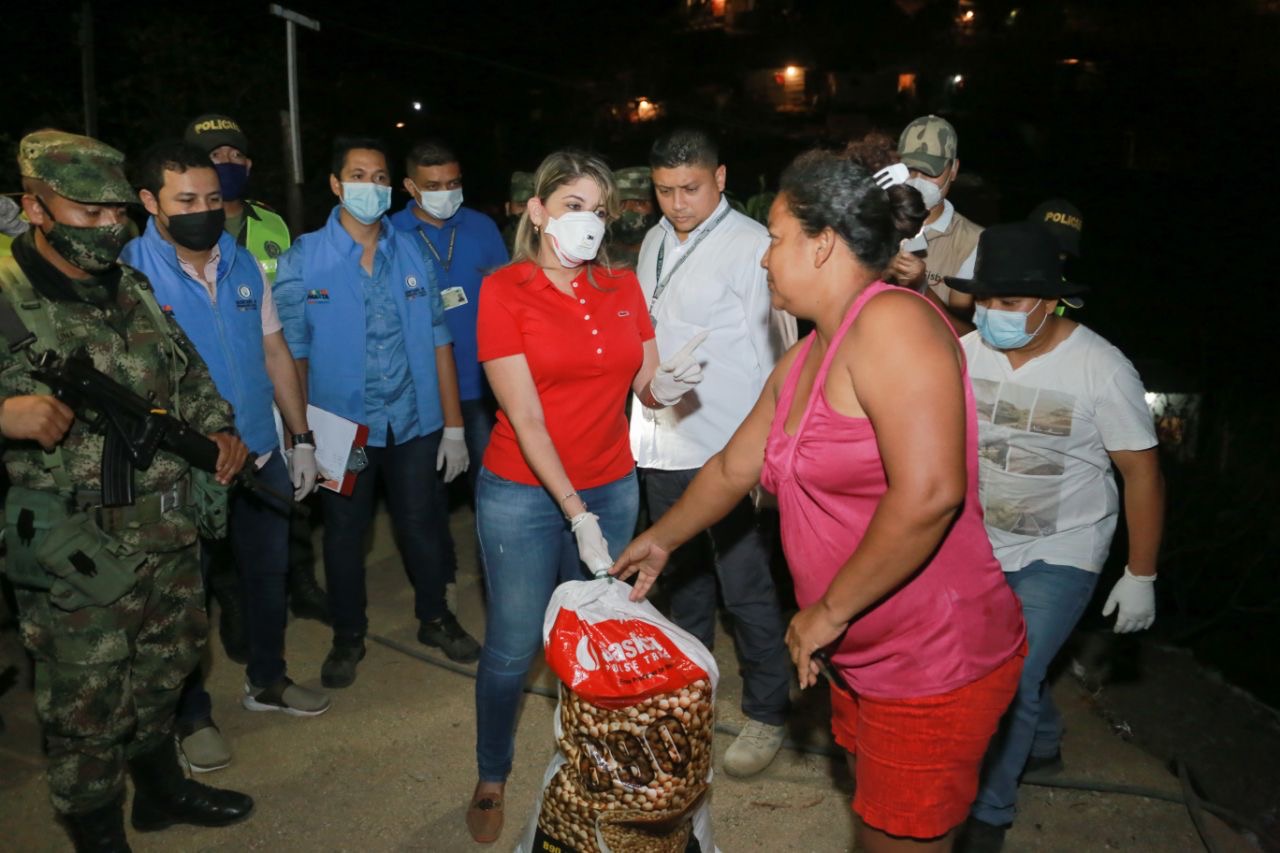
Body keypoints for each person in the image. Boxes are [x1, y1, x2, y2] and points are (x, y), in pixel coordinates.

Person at [612, 147, 1027, 853]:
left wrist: (827, 612)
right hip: (861, 653)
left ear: (823, 243)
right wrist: (662, 539)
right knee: (873, 819)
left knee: (894, 837)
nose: (765, 257)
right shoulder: (806, 357)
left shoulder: (893, 324)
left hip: (931, 656)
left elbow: (931, 494)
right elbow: (731, 467)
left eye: (776, 238)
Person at [0, 129, 254, 851]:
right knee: (86, 708)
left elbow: (186, 376)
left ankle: (161, 793)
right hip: (76, 549)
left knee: (166, 669)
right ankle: (99, 836)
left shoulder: (131, 286)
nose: (110, 227)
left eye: (118, 212)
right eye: (89, 213)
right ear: (35, 207)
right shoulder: (6, 298)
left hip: (167, 531)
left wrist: (219, 431)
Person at [466, 149, 707, 844]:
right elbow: (526, 418)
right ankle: (491, 772)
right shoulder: (504, 289)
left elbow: (645, 387)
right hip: (523, 490)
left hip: (611, 482)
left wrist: (669, 384)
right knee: (514, 643)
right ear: (537, 211)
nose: (589, 221)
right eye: (573, 206)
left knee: (600, 636)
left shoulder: (621, 286)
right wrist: (576, 513)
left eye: (599, 209)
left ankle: (588, 760)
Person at [948, 223, 1163, 853]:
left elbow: (1142, 473)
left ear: (1052, 301)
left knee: (1011, 674)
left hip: (1062, 547)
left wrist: (1141, 573)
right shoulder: (963, 353)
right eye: (985, 300)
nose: (993, 313)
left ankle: (988, 817)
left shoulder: (1103, 369)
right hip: (976, 541)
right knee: (993, 664)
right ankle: (1042, 738)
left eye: (1010, 302)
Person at [120, 142, 329, 772]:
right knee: (184, 601)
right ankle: (190, 716)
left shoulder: (241, 264)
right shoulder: (128, 275)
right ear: (150, 202)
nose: (203, 211)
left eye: (212, 198)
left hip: (259, 453)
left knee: (268, 578)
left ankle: (268, 680)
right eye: (186, 200)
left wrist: (300, 438)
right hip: (182, 468)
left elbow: (274, 350)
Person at [274, 136, 480, 688]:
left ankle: (435, 618)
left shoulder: (412, 252)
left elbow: (439, 340)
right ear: (336, 185)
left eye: (381, 177)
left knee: (423, 523)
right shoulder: (304, 259)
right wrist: (300, 439)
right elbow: (291, 354)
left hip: (413, 421)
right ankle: (348, 634)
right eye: (359, 176)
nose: (373, 186)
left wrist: (454, 426)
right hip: (343, 430)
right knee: (345, 532)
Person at [630, 127, 794, 778]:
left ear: (720, 178)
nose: (677, 203)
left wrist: (767, 456)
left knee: (745, 585)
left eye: (690, 188)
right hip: (662, 442)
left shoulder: (752, 247)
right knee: (683, 581)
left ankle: (768, 710)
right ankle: (692, 694)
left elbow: (780, 355)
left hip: (727, 452)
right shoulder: (653, 241)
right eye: (664, 190)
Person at [183, 113, 330, 627]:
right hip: (214, 391)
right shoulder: (173, 236)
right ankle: (233, 600)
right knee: (222, 500)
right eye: (215, 156)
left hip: (277, 372)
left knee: (289, 488)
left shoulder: (272, 224)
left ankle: (300, 582)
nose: (227, 163)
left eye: (236, 155)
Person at [391, 137, 508, 501]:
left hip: (480, 384)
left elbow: (508, 300)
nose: (445, 193)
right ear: (410, 186)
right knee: (423, 500)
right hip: (418, 390)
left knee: (490, 493)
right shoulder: (391, 234)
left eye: (453, 183)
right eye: (432, 186)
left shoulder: (482, 227)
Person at [887, 114, 982, 332]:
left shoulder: (973, 242)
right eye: (910, 170)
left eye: (931, 171)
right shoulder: (876, 223)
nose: (918, 180)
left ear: (954, 170)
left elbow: (966, 334)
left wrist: (921, 287)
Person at [606, 165, 657, 267]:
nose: (629, 209)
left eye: (640, 203)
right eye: (621, 204)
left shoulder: (670, 255)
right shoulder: (595, 256)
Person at [501, 171, 534, 255]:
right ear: (507, 208)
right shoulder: (497, 244)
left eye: (532, 207)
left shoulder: (548, 245)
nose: (526, 213)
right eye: (521, 205)